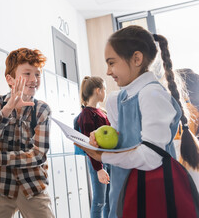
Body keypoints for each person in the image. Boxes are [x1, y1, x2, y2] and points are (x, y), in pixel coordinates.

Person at [81, 25, 199, 218]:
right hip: (123, 191)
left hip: (150, 194)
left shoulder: (152, 95)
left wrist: (102, 157)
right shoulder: (116, 99)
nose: (108, 71)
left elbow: (151, 156)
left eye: (112, 63)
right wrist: (100, 142)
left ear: (136, 59)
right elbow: (122, 143)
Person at [0, 48, 55, 218]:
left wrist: (0, 158)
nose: (34, 80)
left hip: (32, 187)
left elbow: (39, 155)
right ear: (10, 79)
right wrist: (8, 109)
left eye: (38, 74)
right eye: (27, 74)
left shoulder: (42, 109)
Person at [74, 76, 110, 218]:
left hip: (107, 159)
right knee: (99, 201)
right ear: (98, 90)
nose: (105, 93)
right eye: (104, 89)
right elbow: (89, 146)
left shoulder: (101, 112)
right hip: (97, 161)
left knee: (108, 200)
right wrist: (99, 169)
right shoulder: (86, 115)